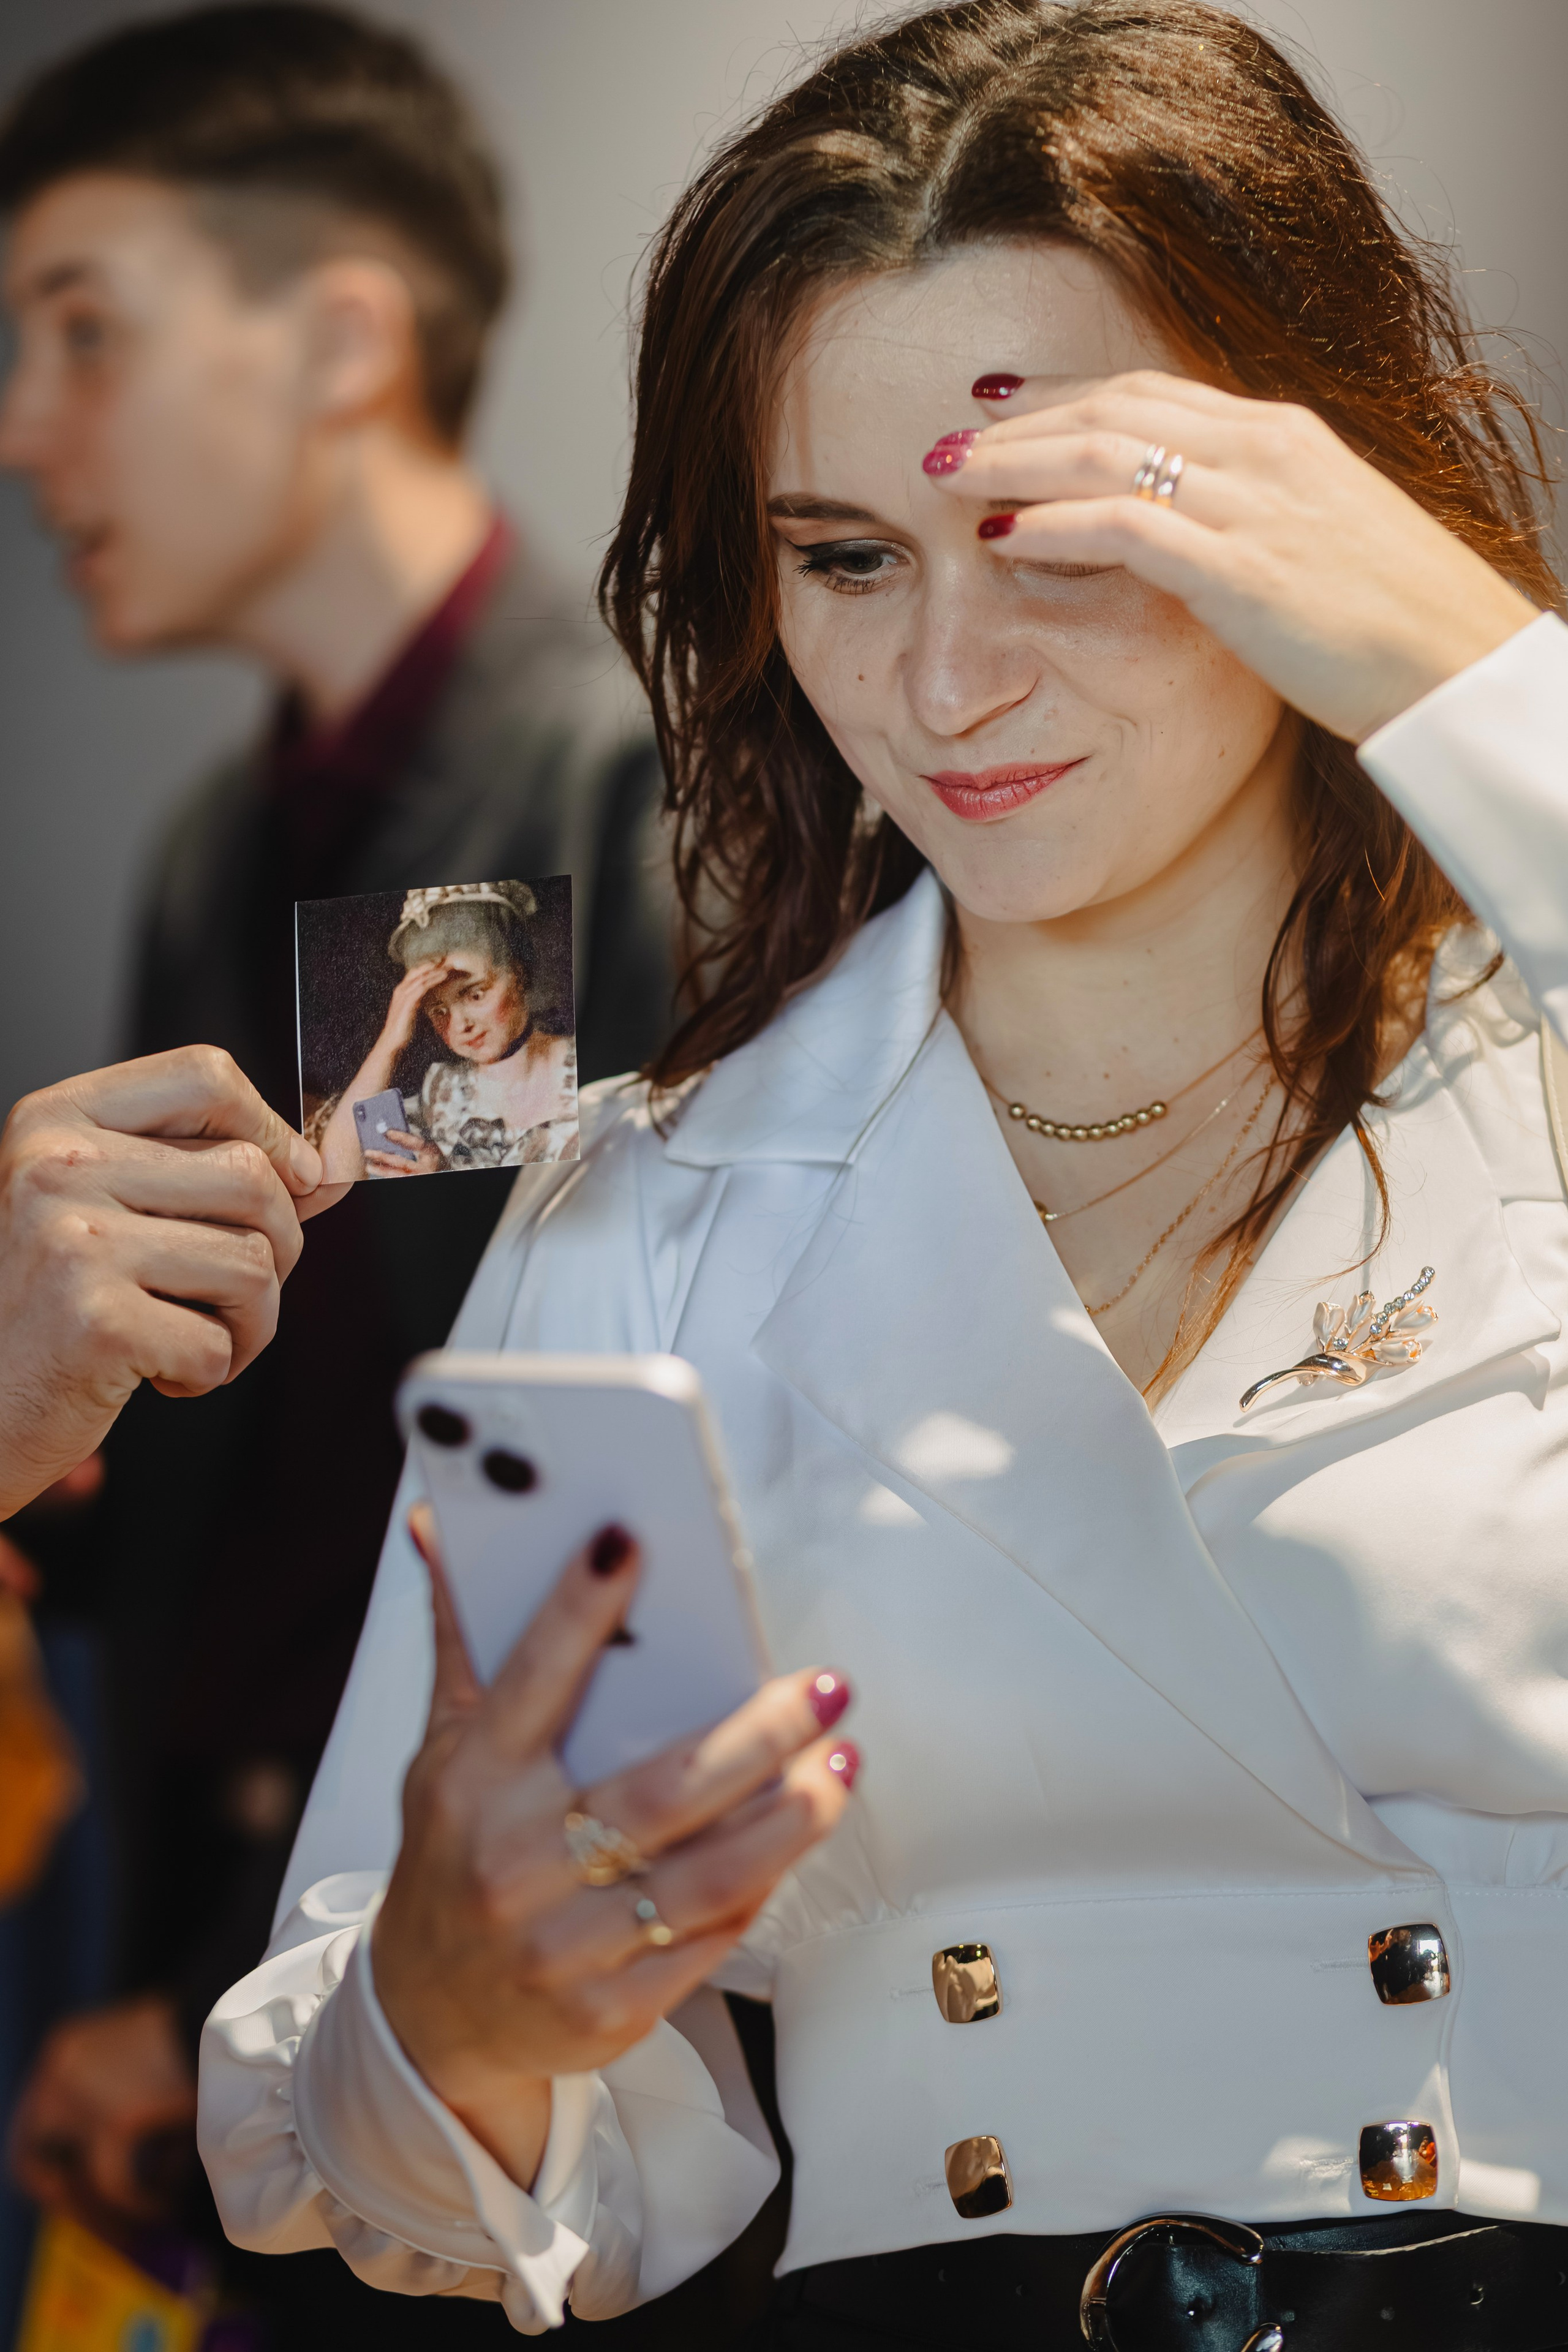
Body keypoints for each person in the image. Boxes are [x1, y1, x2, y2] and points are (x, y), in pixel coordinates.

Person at [197, 1, 1568, 2345]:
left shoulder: (1532, 1057)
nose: (943, 682)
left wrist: (1467, 669)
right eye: (842, 555)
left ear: (1318, 506)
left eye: (1054, 542)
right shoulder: (648, 1220)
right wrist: (462, 2006)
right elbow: (418, 2167)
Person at [0, 6, 670, 2336]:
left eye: (83, 330)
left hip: (524, 2026)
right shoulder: (218, 846)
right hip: (211, 1995)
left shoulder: (639, 795)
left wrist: (213, 1979)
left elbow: (596, 1492)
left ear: (343, 336)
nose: (25, 430)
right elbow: (216, 1439)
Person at [315, 883, 579, 1182]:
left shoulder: (579, 1064)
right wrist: (390, 1042)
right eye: (439, 1011)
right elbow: (335, 1174)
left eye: (475, 995)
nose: (459, 1025)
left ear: (518, 974)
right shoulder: (445, 1093)